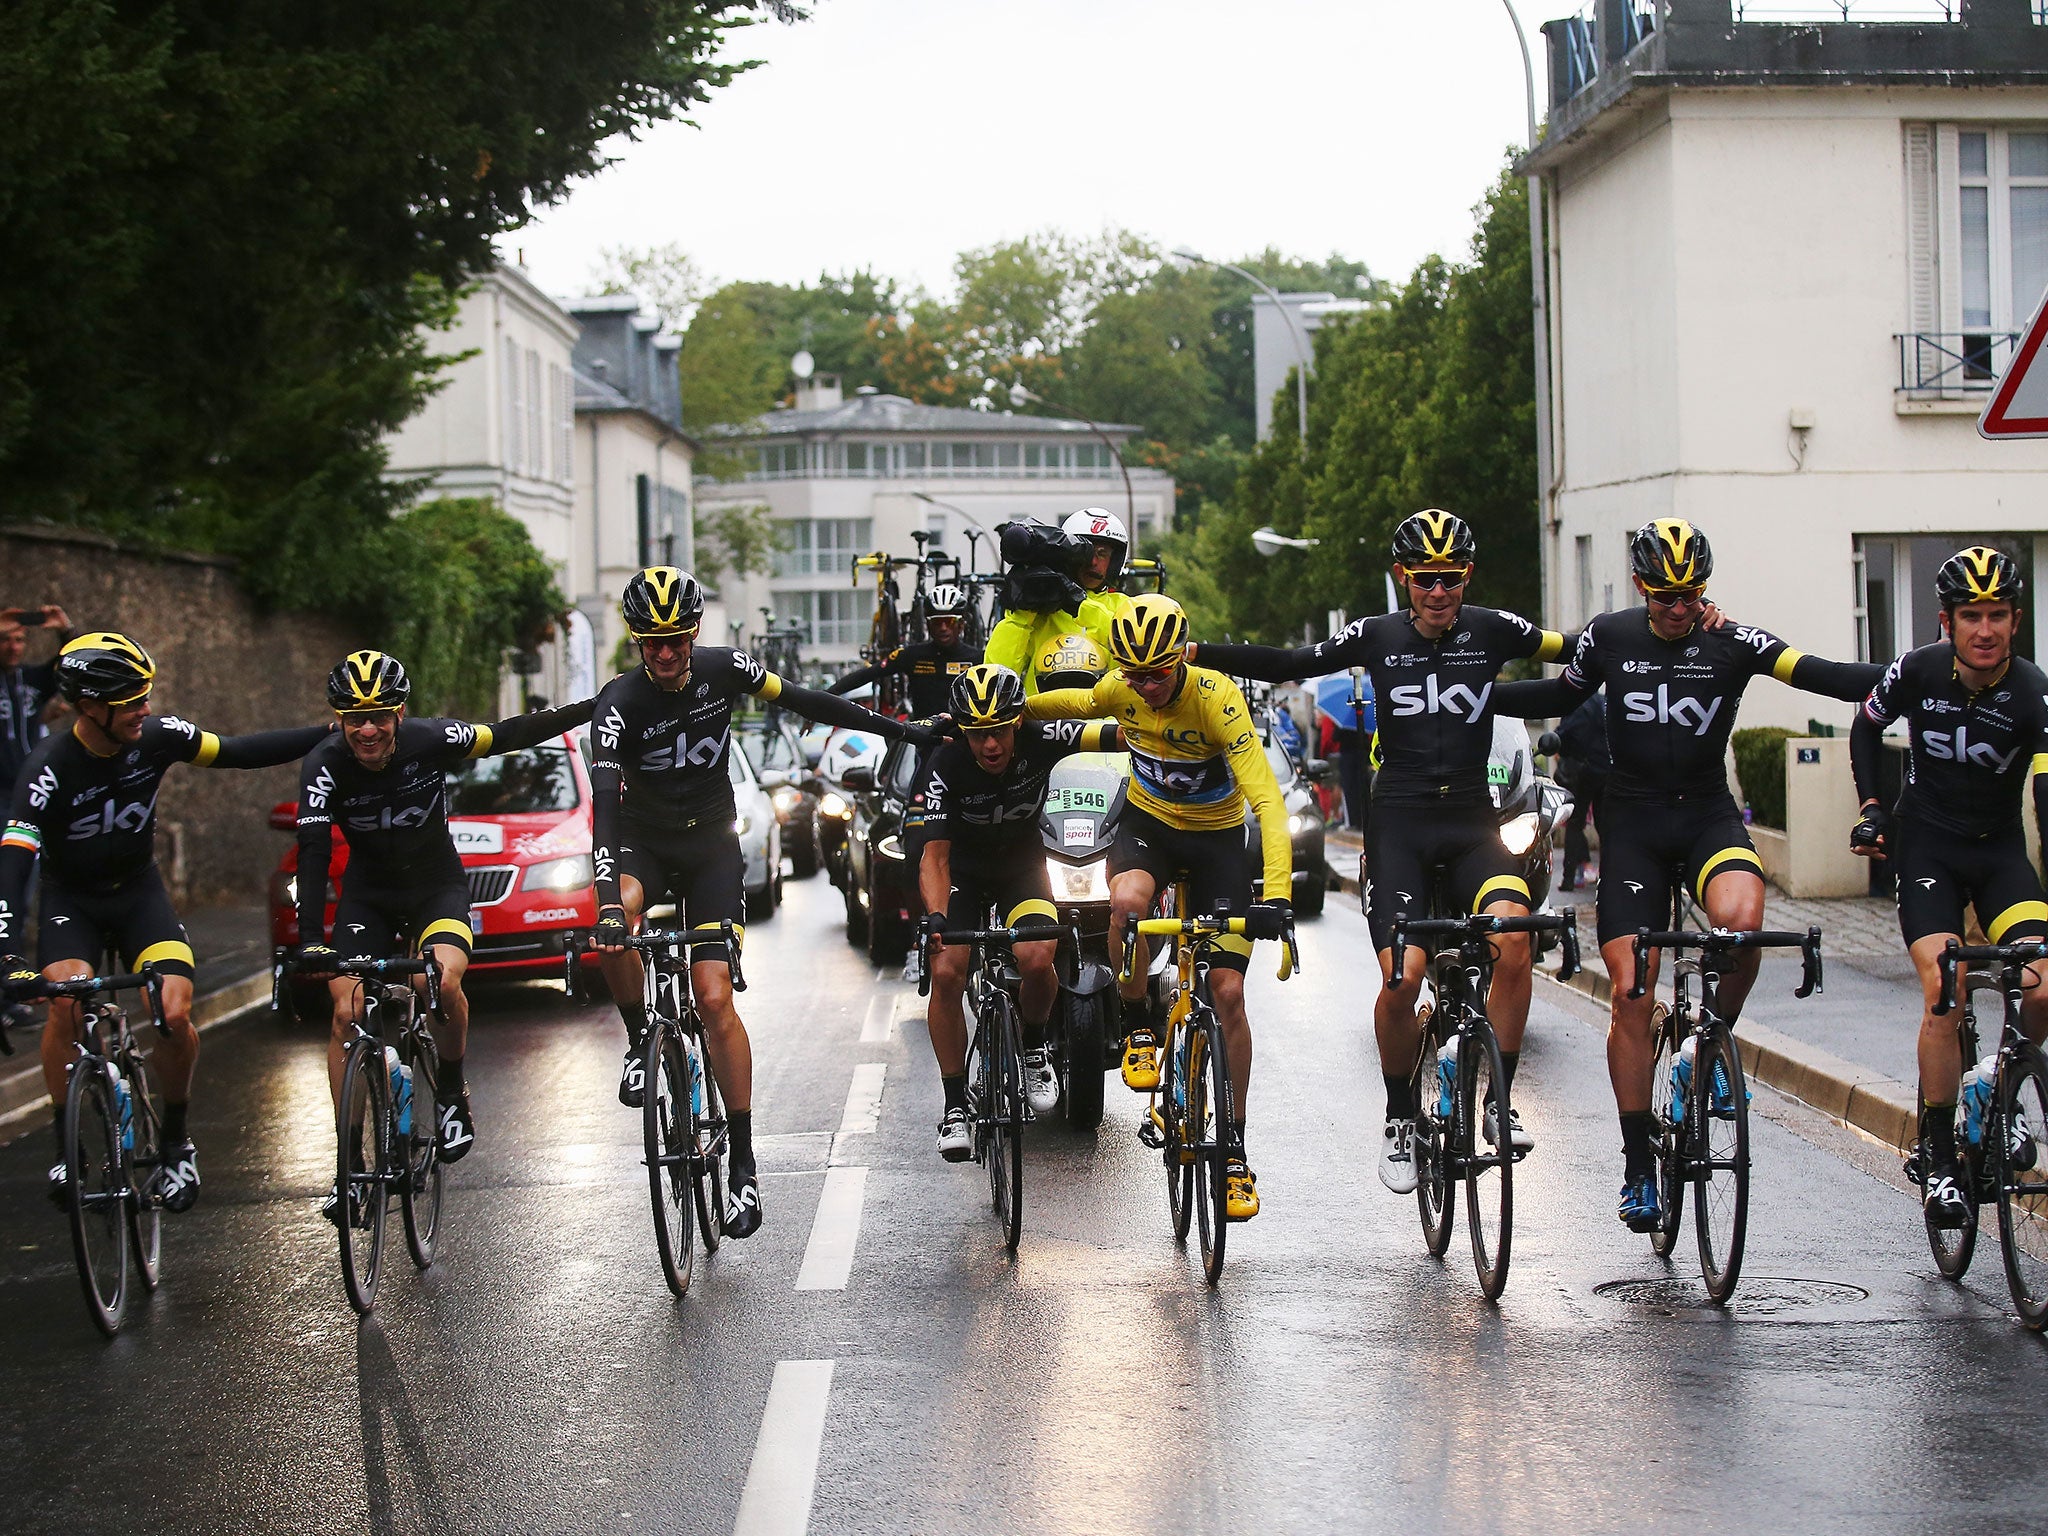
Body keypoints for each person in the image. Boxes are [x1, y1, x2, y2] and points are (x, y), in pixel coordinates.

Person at [1491, 518, 1880, 1231]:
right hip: (1634, 824)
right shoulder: (1609, 636)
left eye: (1691, 595)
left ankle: (1707, 1048)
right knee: (1633, 992)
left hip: (1706, 817)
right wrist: (1471, 696)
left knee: (1743, 923)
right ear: (1642, 586)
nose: (1678, 608)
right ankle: (1639, 1164)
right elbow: (1556, 699)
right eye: (1666, 595)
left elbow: (1822, 675)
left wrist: (1915, 673)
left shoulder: (1733, 642)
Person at [1192, 509, 1567, 1192]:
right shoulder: (1376, 635)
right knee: (1403, 980)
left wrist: (1687, 625)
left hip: (1473, 826)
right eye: (1425, 579)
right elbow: (1289, 663)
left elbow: (1581, 651)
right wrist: (1200, 653)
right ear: (1404, 576)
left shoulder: (1495, 630)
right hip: (1399, 828)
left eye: (1450, 579)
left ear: (1466, 577)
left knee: (1514, 941)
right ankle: (1399, 1116)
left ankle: (1497, 1101)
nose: (1438, 592)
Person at [590, 567, 937, 1239]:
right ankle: (639, 1038)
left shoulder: (726, 671)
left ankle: (744, 1165)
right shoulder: (617, 704)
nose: (665, 654)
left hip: (715, 850)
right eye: (651, 642)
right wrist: (608, 904)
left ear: (694, 633)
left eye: (676, 639)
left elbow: (810, 703)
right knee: (609, 915)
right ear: (636, 641)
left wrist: (901, 731)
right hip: (644, 848)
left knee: (714, 996)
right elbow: (604, 812)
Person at [0, 633, 329, 1211]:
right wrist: (4, 954)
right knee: (66, 1001)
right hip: (70, 902)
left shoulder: (156, 738)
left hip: (138, 896)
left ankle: (176, 1143)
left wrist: (330, 731)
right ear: (88, 706)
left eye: (145, 695)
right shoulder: (46, 767)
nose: (144, 709)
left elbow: (239, 751)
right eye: (130, 700)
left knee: (173, 1013)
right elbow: (12, 860)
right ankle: (65, 1149)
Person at [292, 651, 594, 1219]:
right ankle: (351, 1168)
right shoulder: (323, 763)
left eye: (379, 715)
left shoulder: (431, 741)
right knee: (344, 1011)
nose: (367, 729)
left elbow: (509, 735)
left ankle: (452, 1091)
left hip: (436, 887)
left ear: (400, 713)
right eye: (354, 716)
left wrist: (585, 709)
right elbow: (311, 852)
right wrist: (312, 939)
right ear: (338, 718)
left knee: (441, 982)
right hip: (368, 897)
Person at [1026, 593, 1293, 1220]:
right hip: (1148, 829)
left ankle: (1233, 1153)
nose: (1145, 686)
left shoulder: (1216, 698)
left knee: (1227, 993)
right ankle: (1141, 1022)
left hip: (1217, 840)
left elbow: (1269, 804)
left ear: (1180, 658)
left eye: (1157, 673)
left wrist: (1277, 895)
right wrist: (1016, 707)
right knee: (1124, 904)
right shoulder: (1121, 688)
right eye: (1134, 674)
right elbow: (1075, 701)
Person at [1849, 546, 2048, 1231]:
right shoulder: (1918, 670)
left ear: (2015, 621)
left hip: (2000, 861)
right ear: (1948, 621)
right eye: (1972, 616)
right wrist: (1872, 807)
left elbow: (2047, 795)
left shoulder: (2033, 692)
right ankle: (1936, 1153)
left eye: (1997, 615)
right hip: (1927, 850)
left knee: (2043, 983)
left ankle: (1993, 1080)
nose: (1985, 629)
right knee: (1946, 985)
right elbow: (1866, 724)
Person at [917, 664, 1119, 1158]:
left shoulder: (1042, 737)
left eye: (1001, 731)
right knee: (946, 972)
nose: (991, 745)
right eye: (979, 734)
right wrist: (938, 918)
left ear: (1018, 722)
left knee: (1035, 957)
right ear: (964, 731)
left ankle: (1031, 1047)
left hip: (1023, 872)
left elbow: (1115, 731)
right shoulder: (945, 764)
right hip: (963, 877)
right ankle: (954, 1107)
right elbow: (935, 858)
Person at [985, 509, 1133, 695]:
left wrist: (1079, 604)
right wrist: (1020, 616)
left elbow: (1131, 648)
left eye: (1102, 554)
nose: (1093, 562)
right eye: (1085, 553)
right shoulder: (1042, 611)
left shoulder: (1125, 606)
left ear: (1115, 561)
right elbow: (995, 675)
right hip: (1042, 720)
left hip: (1105, 721)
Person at [827, 582, 982, 718]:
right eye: (936, 622)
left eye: (949, 621)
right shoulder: (912, 655)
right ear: (927, 625)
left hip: (963, 740)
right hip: (925, 741)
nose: (943, 628)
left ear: (961, 624)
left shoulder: (977, 659)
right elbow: (865, 675)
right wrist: (821, 700)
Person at [0, 603, 73, 807]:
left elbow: (72, 665)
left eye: (19, 640)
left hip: (29, 788)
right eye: (4, 639)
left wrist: (65, 631)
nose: (13, 647)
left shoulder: (32, 680)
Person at [1554, 693, 1607, 892]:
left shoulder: (1575, 702)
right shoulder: (1602, 703)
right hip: (1605, 771)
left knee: (1575, 824)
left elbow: (1563, 735)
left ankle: (1568, 879)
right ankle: (1610, 876)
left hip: (1581, 772)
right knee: (1606, 827)